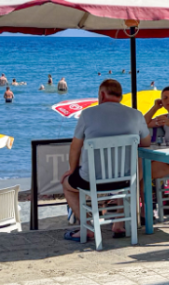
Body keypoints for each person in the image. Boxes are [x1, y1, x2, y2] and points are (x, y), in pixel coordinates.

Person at [61, 79, 151, 241]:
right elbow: (146, 143)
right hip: (125, 180)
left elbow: (75, 147)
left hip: (91, 180)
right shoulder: (136, 115)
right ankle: (118, 224)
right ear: (121, 96)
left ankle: (87, 227)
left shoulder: (87, 114)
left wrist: (72, 170)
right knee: (135, 177)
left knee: (67, 185)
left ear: (102, 94)